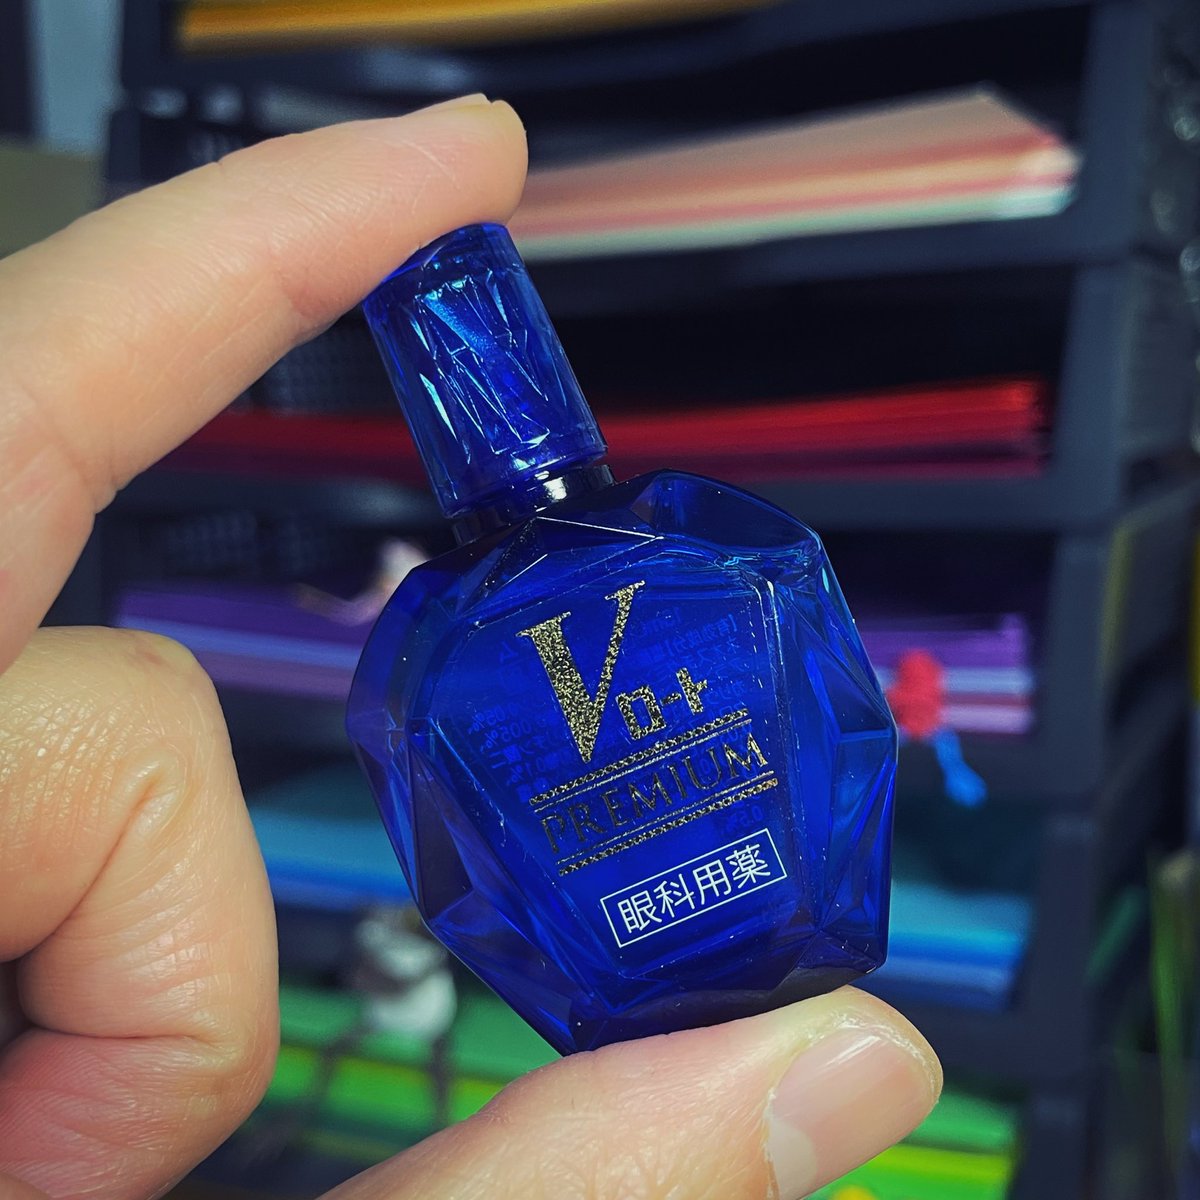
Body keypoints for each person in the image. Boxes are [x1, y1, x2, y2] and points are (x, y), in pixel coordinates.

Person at [0, 95, 941, 1200]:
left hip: (736, 962)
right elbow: (464, 879)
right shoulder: (669, 564)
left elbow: (844, 723)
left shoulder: (667, 568)